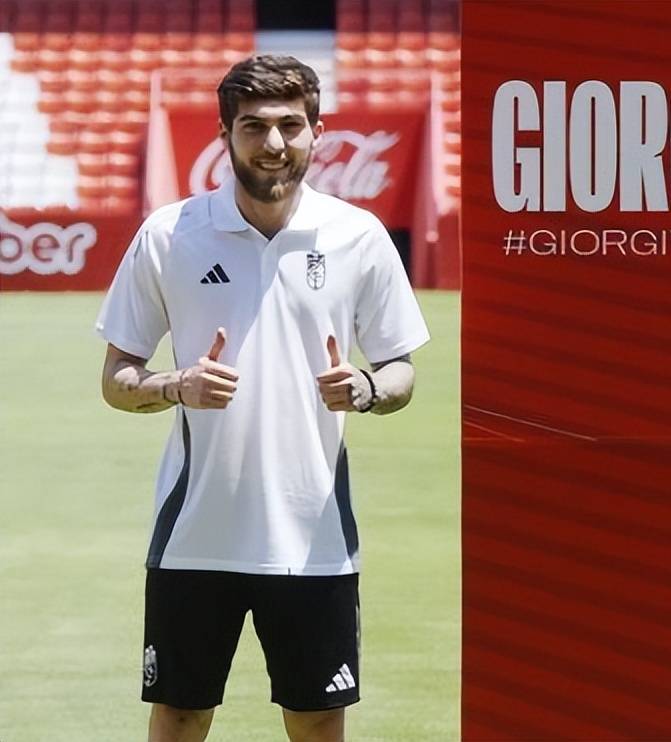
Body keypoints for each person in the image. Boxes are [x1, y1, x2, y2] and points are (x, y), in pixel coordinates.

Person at [96, 55, 429, 742]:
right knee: (180, 715)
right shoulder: (169, 235)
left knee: (317, 719)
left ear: (317, 132)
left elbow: (400, 370)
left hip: (314, 538)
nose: (273, 143)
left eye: (289, 125)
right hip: (195, 536)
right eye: (253, 126)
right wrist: (176, 385)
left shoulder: (358, 235)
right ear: (224, 134)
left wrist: (366, 388)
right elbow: (117, 378)